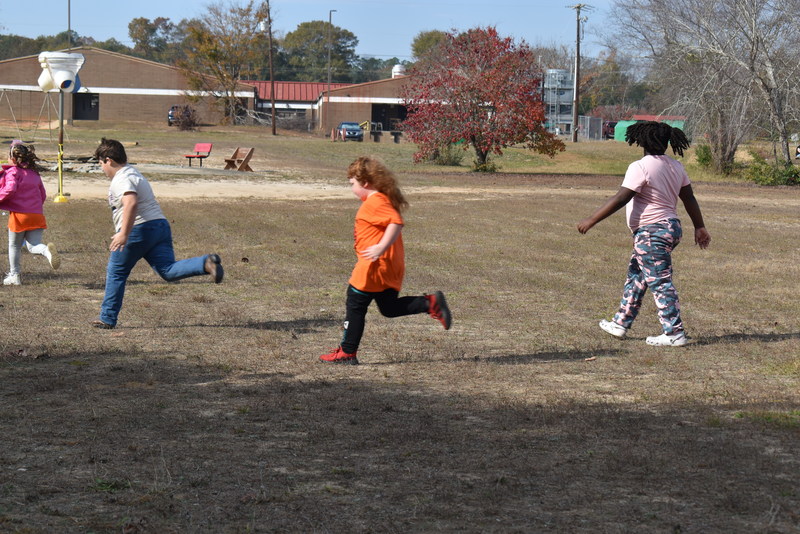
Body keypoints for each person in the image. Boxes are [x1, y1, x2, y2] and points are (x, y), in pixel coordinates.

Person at [577, 121, 711, 347]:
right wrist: (699, 226)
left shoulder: (641, 166)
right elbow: (688, 198)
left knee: (660, 281)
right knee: (638, 276)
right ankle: (620, 323)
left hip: (651, 232)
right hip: (670, 228)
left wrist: (591, 220)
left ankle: (674, 333)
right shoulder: (676, 166)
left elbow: (622, 197)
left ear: (642, 140)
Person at [320, 156, 452, 365]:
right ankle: (430, 303)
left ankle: (347, 352)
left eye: (352, 184)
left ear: (365, 182)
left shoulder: (376, 201)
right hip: (387, 267)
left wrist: (380, 247)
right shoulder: (378, 200)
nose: (351, 188)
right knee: (389, 308)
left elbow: (396, 222)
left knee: (355, 304)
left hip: (373, 267)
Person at [92, 138, 223, 329]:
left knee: (116, 273)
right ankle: (205, 263)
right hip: (159, 226)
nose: (102, 168)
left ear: (109, 160)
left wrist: (123, 234)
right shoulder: (134, 173)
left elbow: (131, 203)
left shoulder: (121, 178)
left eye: (101, 163)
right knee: (167, 270)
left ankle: (107, 317)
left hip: (138, 229)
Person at [0, 142, 60, 285]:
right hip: (36, 214)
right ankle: (46, 251)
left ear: (13, 159)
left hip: (19, 215)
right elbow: (43, 194)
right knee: (33, 246)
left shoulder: (13, 172)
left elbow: (10, 189)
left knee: (14, 245)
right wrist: (35, 207)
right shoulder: (34, 174)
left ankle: (15, 275)